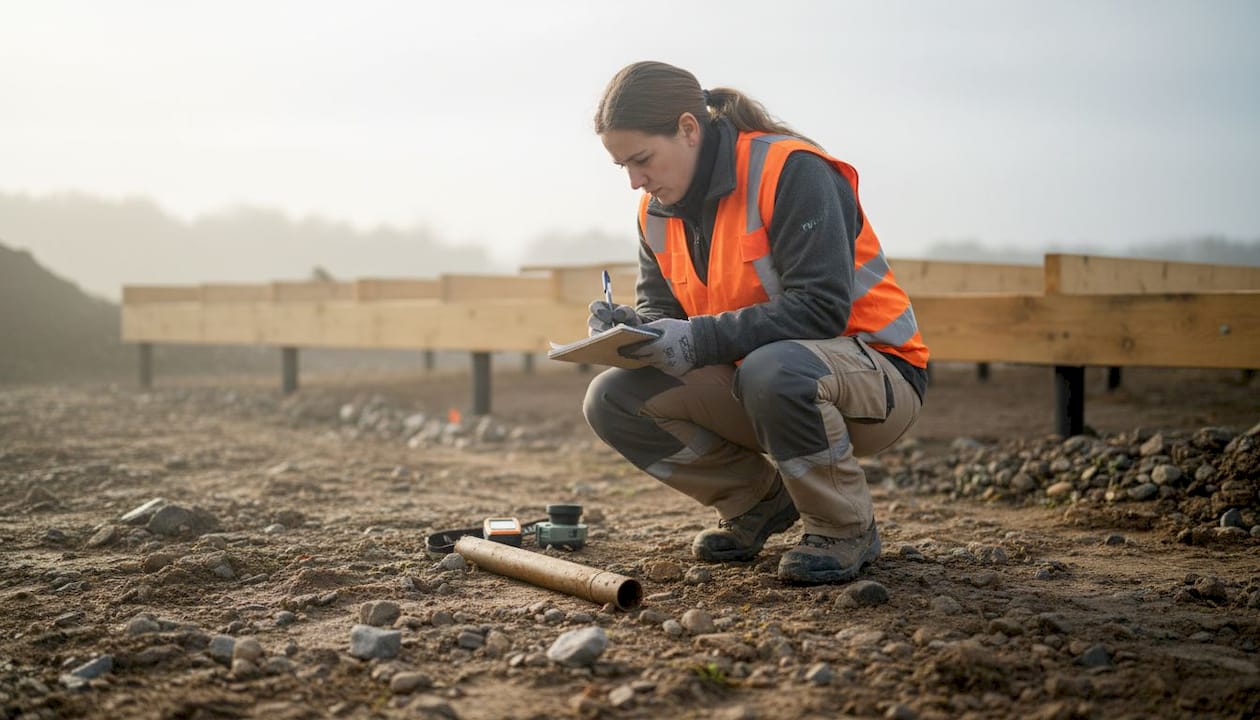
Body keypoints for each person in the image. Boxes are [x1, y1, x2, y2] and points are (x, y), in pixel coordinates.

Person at [582, 61, 929, 584]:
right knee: (612, 396)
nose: (635, 180)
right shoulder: (655, 210)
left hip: (877, 377)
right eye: (623, 167)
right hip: (761, 379)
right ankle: (757, 502)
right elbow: (666, 312)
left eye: (642, 159)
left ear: (688, 129)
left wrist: (695, 338)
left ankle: (843, 527)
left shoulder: (792, 171)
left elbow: (821, 308)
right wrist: (635, 331)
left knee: (773, 368)